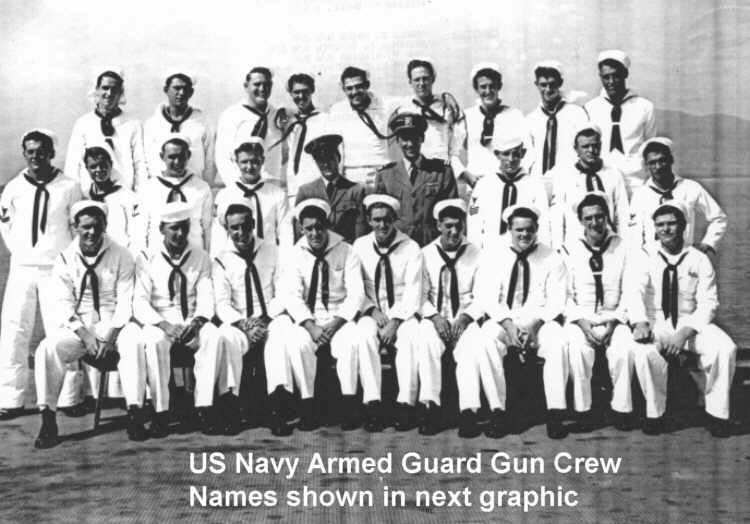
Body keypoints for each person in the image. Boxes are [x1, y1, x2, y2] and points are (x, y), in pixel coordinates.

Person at [33, 201, 145, 448]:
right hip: (81, 325)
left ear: (105, 225)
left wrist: (110, 337)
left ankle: (135, 412)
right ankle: (48, 418)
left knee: (135, 341)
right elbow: (63, 304)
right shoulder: (64, 259)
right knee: (47, 348)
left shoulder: (122, 254)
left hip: (114, 322)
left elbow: (125, 300)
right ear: (75, 228)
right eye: (85, 227)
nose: (91, 232)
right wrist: (85, 335)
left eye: (96, 226)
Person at [627, 202, 736, 437]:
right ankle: (655, 414)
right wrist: (640, 322)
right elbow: (634, 292)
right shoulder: (645, 255)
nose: (666, 229)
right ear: (655, 228)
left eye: (671, 224)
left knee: (725, 348)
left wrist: (684, 333)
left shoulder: (699, 259)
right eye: (660, 225)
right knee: (644, 352)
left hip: (692, 322)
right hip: (656, 321)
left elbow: (709, 303)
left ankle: (716, 414)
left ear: (684, 226)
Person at [0, 130, 82, 419]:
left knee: (62, 331)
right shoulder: (14, 188)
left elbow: (76, 227)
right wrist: (23, 253)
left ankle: (70, 398)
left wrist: (64, 259)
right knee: (14, 330)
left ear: (52, 153)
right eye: (31, 151)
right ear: (25, 153)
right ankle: (10, 397)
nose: (36, 156)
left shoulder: (69, 186)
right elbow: (6, 226)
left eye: (42, 151)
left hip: (56, 268)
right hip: (23, 267)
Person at [273, 199, 366, 434]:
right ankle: (308, 405)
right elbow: (292, 295)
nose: (315, 233)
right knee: (298, 343)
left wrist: (336, 324)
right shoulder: (295, 254)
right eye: (309, 228)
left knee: (351, 341)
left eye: (319, 227)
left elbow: (356, 294)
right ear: (301, 229)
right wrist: (311, 326)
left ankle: (349, 404)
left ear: (327, 225)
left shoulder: (347, 251)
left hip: (339, 317)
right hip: (309, 318)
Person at [476, 205, 567, 438]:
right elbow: (487, 297)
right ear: (509, 229)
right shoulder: (494, 254)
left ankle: (556, 412)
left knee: (557, 341)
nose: (524, 234)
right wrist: (507, 324)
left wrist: (535, 325)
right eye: (519, 230)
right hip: (504, 319)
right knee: (486, 341)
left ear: (536, 229)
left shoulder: (551, 256)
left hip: (539, 321)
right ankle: (497, 411)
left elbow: (557, 300)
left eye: (529, 229)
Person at [132, 201, 221, 437]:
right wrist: (165, 326)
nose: (180, 233)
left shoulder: (200, 256)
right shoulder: (146, 257)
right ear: (161, 229)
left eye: (184, 227)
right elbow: (140, 301)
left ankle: (204, 407)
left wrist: (197, 323)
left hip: (192, 319)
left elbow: (206, 296)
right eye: (174, 228)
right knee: (153, 341)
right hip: (160, 321)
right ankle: (161, 411)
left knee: (213, 336)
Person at [560, 192, 636, 431]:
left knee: (624, 349)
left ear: (608, 216)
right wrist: (581, 322)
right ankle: (583, 410)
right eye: (589, 218)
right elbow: (564, 294)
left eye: (600, 216)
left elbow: (630, 290)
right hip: (581, 317)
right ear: (580, 220)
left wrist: (615, 320)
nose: (595, 223)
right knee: (577, 351)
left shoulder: (623, 247)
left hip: (614, 316)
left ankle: (622, 409)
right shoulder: (569, 249)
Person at [351, 194, 424, 431]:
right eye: (376, 220)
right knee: (363, 336)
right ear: (369, 221)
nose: (382, 225)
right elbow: (355, 287)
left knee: (411, 337)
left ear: (394, 220)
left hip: (402, 313)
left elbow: (414, 290)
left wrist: (395, 321)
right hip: (371, 310)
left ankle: (405, 404)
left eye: (386, 219)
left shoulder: (411, 248)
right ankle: (373, 403)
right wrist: (371, 310)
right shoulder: (360, 246)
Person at [213, 198, 284, 435]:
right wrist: (244, 324)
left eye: (245, 226)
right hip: (241, 322)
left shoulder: (272, 251)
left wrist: (264, 320)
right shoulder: (221, 259)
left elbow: (283, 292)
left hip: (270, 318)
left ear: (253, 224)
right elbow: (222, 303)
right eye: (234, 227)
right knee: (226, 337)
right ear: (227, 229)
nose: (241, 232)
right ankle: (230, 405)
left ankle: (277, 405)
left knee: (281, 335)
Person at [419, 199, 485, 437]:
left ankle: (469, 412)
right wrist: (435, 318)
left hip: (465, 318)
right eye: (448, 226)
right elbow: (420, 295)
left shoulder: (476, 253)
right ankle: (431, 408)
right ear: (438, 226)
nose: (454, 231)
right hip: (435, 317)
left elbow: (483, 295)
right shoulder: (425, 254)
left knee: (470, 348)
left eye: (458, 225)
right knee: (426, 342)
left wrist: (465, 318)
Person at [628, 137, 727, 253]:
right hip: (652, 259)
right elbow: (634, 233)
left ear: (671, 160)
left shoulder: (690, 187)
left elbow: (719, 217)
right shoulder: (640, 194)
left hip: (685, 258)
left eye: (662, 160)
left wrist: (708, 243)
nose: (658, 167)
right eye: (652, 163)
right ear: (646, 165)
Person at [374, 113, 458, 246]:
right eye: (405, 139)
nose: (410, 144)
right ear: (397, 141)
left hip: (432, 244)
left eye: (415, 138)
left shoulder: (441, 171)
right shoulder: (385, 175)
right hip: (398, 246)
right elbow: (379, 218)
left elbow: (452, 214)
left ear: (422, 138)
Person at [65, 67, 148, 192]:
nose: (109, 93)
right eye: (105, 88)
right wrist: (76, 195)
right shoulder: (83, 123)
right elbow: (73, 164)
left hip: (124, 194)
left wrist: (139, 194)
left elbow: (139, 163)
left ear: (120, 92)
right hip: (90, 194)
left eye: (114, 89)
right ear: (97, 90)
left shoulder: (133, 124)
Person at [585, 50, 656, 194]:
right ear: (600, 77)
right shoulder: (590, 108)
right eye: (606, 77)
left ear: (625, 74)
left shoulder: (645, 107)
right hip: (603, 181)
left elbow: (650, 147)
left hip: (637, 182)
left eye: (616, 76)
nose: (611, 82)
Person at [549, 123, 629, 249]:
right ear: (576, 149)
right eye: (585, 146)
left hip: (610, 245)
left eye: (595, 146)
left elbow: (622, 214)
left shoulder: (613, 174)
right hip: (575, 245)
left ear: (600, 146)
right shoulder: (564, 177)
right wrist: (558, 247)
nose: (591, 150)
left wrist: (624, 245)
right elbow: (558, 217)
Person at [455, 62, 532, 190]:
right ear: (476, 89)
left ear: (499, 87)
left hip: (505, 183)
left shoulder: (514, 115)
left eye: (492, 86)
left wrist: (517, 178)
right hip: (476, 183)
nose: (488, 91)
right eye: (483, 87)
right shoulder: (467, 116)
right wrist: (466, 175)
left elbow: (528, 150)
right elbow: (452, 152)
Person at [211, 138, 292, 256]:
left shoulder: (277, 195)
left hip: (269, 258)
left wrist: (284, 261)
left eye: (255, 161)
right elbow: (219, 236)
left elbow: (286, 234)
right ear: (236, 161)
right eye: (244, 162)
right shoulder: (225, 195)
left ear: (262, 161)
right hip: (235, 259)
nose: (249, 167)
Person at [468, 135, 549, 248]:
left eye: (516, 154)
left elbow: (543, 220)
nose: (511, 159)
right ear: (497, 154)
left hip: (523, 248)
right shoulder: (484, 185)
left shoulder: (535, 186)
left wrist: (542, 250)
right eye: (506, 154)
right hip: (489, 246)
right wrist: (475, 247)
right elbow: (473, 215)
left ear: (523, 153)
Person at [525, 60, 589, 195]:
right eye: (543, 85)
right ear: (536, 85)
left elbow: (584, 148)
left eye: (552, 84)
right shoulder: (530, 119)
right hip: (538, 182)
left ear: (560, 83)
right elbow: (527, 157)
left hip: (570, 181)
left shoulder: (576, 113)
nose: (548, 90)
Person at [139, 135, 213, 252]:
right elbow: (140, 230)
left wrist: (206, 257)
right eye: (172, 157)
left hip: (194, 254)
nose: (177, 162)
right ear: (162, 156)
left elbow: (207, 229)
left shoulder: (201, 188)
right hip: (158, 254)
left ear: (188, 155)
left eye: (181, 157)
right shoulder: (148, 188)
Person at [215, 66, 286, 187]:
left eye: (266, 84)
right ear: (246, 86)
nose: (262, 89)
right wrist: (237, 188)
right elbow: (222, 157)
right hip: (242, 186)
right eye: (257, 84)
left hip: (271, 187)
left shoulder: (277, 115)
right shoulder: (231, 115)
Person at [328, 66, 396, 190]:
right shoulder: (337, 111)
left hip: (381, 172)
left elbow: (409, 104)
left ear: (367, 85)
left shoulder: (385, 105)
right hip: (351, 174)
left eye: (359, 86)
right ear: (343, 89)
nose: (354, 92)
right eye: (349, 88)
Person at [143, 69, 215, 185]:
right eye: (177, 88)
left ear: (191, 92)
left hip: (194, 188)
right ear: (166, 90)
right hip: (160, 188)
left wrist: (206, 187)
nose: (181, 93)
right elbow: (145, 161)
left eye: (185, 89)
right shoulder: (152, 124)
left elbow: (210, 161)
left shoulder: (203, 123)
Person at [392, 58, 466, 170]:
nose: (421, 83)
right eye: (417, 80)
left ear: (433, 79)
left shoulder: (446, 105)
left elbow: (459, 136)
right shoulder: (403, 108)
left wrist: (453, 159)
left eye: (425, 79)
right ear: (410, 81)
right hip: (417, 166)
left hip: (442, 165)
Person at [295, 134, 367, 243]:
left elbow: (361, 234)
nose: (326, 164)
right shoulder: (306, 192)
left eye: (330, 159)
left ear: (338, 158)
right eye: (320, 160)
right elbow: (299, 234)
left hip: (346, 250)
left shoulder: (356, 191)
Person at [280, 73, 329, 206]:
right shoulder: (289, 122)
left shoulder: (324, 119)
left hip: (317, 187)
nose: (301, 96)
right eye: (296, 92)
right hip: (294, 188)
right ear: (290, 93)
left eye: (305, 91)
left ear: (312, 90)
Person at [83, 146, 143, 253]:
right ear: (87, 168)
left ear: (111, 165)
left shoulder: (128, 197)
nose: (98, 170)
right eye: (93, 167)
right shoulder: (85, 198)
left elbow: (137, 234)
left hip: (121, 254)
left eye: (103, 165)